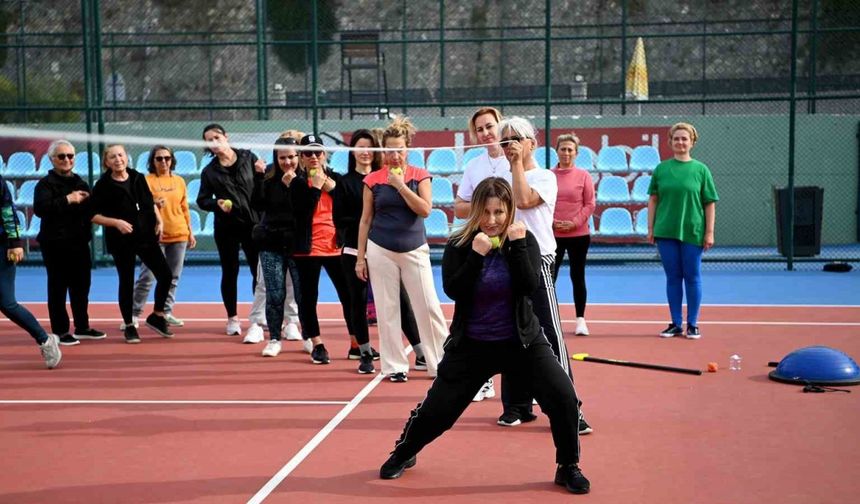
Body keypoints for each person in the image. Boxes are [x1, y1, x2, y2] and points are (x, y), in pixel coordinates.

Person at [378, 177, 590, 495]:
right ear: (476, 211)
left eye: (500, 213)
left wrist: (517, 246)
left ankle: (568, 465)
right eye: (486, 212)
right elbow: (455, 290)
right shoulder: (460, 244)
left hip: (522, 342)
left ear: (510, 212)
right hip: (473, 345)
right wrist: (476, 256)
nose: (492, 220)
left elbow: (528, 287)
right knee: (439, 411)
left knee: (563, 398)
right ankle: (404, 452)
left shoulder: (524, 240)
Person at [356, 116, 447, 383]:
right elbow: (365, 219)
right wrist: (360, 257)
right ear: (382, 151)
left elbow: (425, 210)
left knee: (428, 306)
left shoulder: (420, 175)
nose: (394, 155)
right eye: (389, 150)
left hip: (414, 249)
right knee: (387, 308)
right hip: (379, 249)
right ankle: (394, 366)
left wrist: (400, 186)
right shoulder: (372, 180)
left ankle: (440, 363)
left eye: (399, 149)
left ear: (407, 149)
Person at [333, 129, 422, 374]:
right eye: (360, 147)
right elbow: (341, 219)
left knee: (402, 301)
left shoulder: (386, 178)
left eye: (369, 147)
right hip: (355, 249)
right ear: (353, 152)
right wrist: (369, 223)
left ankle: (421, 351)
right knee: (357, 302)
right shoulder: (346, 182)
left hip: (387, 249)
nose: (365, 152)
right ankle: (363, 352)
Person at [91, 144, 174, 343]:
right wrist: (116, 223)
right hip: (121, 241)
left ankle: (157, 315)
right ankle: (129, 325)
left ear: (126, 157)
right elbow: (92, 215)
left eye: (120, 155)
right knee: (126, 281)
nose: (118, 159)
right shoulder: (103, 185)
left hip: (146, 236)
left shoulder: (137, 177)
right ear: (106, 162)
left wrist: (159, 220)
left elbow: (149, 202)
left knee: (166, 275)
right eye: (112, 157)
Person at [452, 107, 507, 401]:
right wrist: (484, 208)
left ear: (501, 125)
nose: (486, 133)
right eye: (480, 129)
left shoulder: (516, 161)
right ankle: (483, 379)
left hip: (512, 245)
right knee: (482, 310)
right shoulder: (474, 166)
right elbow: (459, 207)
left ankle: (527, 381)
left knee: (520, 313)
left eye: (490, 126)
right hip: (482, 246)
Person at [647, 122, 719, 339]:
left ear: (692, 142)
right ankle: (676, 323)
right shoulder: (661, 169)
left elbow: (709, 203)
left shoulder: (701, 170)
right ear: (670, 142)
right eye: (676, 138)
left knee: (692, 276)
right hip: (665, 230)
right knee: (673, 277)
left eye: (684, 138)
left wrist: (709, 231)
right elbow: (653, 199)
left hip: (693, 231)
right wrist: (651, 228)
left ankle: (693, 324)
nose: (680, 142)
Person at [289, 133, 355, 365]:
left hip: (335, 247)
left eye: (317, 152)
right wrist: (315, 189)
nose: (314, 157)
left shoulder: (336, 178)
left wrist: (333, 190)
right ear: (302, 158)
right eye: (308, 153)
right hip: (307, 250)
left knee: (349, 296)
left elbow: (350, 208)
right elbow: (301, 213)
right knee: (308, 298)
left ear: (324, 155)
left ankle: (356, 342)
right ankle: (317, 344)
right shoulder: (296, 183)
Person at [197, 124, 266, 338]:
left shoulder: (248, 157)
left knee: (259, 272)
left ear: (226, 137)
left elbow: (261, 187)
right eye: (209, 140)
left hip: (253, 225)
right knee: (230, 272)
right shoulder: (209, 171)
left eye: (217, 137)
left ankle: (259, 315)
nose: (214, 142)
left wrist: (262, 174)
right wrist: (216, 203)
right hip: (226, 228)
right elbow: (202, 200)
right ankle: (232, 318)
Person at [33, 139, 105, 346]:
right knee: (57, 288)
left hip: (79, 243)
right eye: (61, 156)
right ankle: (61, 331)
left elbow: (90, 211)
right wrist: (68, 200)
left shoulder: (80, 183)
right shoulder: (45, 184)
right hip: (54, 244)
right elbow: (40, 208)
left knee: (81, 286)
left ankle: (82, 327)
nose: (67, 160)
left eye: (70, 156)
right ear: (52, 159)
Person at [0, 172, 62, 368]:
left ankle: (45, 340)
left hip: (1, 246)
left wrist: (15, 242)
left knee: (6, 302)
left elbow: (7, 209)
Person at [131, 146, 196, 329]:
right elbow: (136, 206)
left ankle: (165, 312)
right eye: (159, 159)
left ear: (172, 160)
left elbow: (184, 208)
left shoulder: (180, 181)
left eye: (167, 158)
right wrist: (152, 203)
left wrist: (190, 232)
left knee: (173, 277)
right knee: (147, 277)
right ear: (153, 162)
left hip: (179, 233)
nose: (163, 162)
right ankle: (134, 315)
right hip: (154, 236)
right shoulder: (145, 180)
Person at [251, 136, 302, 358]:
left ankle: (310, 336)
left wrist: (294, 187)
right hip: (271, 244)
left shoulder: (306, 181)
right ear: (276, 158)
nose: (288, 162)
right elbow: (257, 204)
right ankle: (274, 338)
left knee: (303, 294)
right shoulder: (268, 180)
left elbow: (306, 208)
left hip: (299, 245)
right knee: (274, 293)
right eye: (283, 157)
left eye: (292, 157)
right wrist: (259, 176)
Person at [551, 133, 595, 336]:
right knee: (549, 277)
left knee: (578, 276)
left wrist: (574, 223)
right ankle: (549, 320)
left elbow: (589, 204)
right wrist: (552, 223)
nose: (566, 153)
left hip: (579, 235)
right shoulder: (549, 176)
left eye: (570, 150)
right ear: (557, 151)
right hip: (553, 235)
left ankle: (580, 321)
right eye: (563, 149)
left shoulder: (584, 175)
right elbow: (543, 203)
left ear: (576, 153)